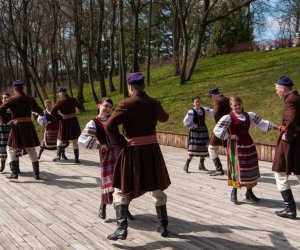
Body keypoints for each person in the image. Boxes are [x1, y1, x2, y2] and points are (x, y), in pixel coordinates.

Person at [105, 72, 171, 241]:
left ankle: (121, 228)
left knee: (121, 191)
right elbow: (165, 118)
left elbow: (109, 125)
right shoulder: (154, 103)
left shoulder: (126, 104)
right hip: (151, 152)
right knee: (157, 189)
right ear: (143, 86)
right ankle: (164, 227)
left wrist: (121, 142)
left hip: (132, 151)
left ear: (130, 87)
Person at [214, 96, 278, 204]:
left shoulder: (249, 116)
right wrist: (230, 136)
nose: (237, 107)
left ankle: (249, 192)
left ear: (242, 104)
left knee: (250, 168)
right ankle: (233, 192)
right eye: (235, 105)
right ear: (231, 106)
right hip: (236, 146)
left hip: (248, 144)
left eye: (239, 104)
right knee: (237, 169)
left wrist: (275, 127)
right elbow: (217, 130)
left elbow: (261, 123)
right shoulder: (228, 117)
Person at [78, 97, 134, 221]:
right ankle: (103, 206)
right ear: (99, 105)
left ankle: (125, 210)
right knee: (108, 181)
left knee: (123, 181)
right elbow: (81, 140)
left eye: (110, 107)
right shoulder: (94, 122)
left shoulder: (112, 119)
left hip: (120, 152)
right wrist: (99, 145)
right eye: (106, 106)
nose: (108, 109)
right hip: (107, 155)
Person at [0, 80, 44, 179]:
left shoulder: (11, 99)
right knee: (31, 148)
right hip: (28, 126)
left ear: (14, 88)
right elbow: (39, 110)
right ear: (23, 87)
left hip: (17, 126)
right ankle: (36, 173)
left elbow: (1, 109)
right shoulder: (30, 99)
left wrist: (7, 120)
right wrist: (42, 113)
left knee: (11, 148)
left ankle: (14, 173)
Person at [273, 76, 300, 219]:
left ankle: (290, 208)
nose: (276, 91)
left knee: (279, 172)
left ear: (283, 88)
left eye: (277, 88)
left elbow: (291, 119)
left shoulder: (290, 101)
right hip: (298, 142)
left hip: (290, 143)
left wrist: (287, 135)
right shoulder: (297, 97)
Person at [51, 87, 83, 163]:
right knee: (75, 139)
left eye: (59, 93)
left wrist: (59, 117)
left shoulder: (59, 101)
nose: (59, 94)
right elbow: (80, 107)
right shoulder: (73, 99)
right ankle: (76, 159)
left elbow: (52, 112)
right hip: (73, 121)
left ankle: (58, 156)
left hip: (64, 121)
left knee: (60, 139)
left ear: (61, 93)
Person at [183, 96, 213, 173]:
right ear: (193, 103)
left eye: (198, 101)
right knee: (193, 149)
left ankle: (201, 165)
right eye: (196, 102)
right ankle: (186, 165)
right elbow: (185, 122)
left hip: (203, 131)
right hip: (195, 132)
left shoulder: (204, 109)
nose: (197, 103)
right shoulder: (191, 112)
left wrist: (219, 108)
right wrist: (193, 125)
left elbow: (212, 111)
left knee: (203, 148)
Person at [207, 88, 230, 176]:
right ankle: (236, 168)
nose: (212, 98)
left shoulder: (216, 101)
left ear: (213, 95)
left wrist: (218, 124)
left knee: (211, 147)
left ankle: (219, 169)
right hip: (230, 127)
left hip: (221, 128)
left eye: (211, 96)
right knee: (229, 149)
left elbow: (216, 112)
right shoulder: (227, 99)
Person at [0, 93, 22, 173]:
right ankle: (2, 166)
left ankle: (16, 168)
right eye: (3, 98)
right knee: (3, 150)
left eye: (6, 97)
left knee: (14, 149)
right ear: (2, 100)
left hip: (13, 131)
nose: (5, 99)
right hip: (2, 132)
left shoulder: (14, 109)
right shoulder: (1, 108)